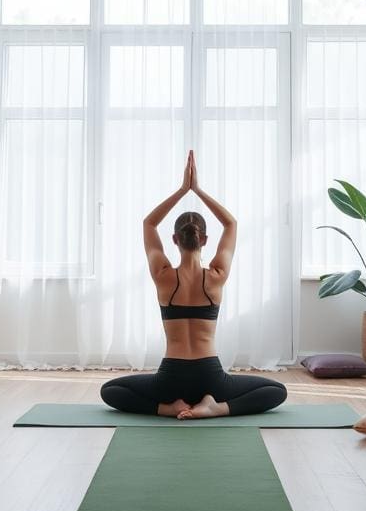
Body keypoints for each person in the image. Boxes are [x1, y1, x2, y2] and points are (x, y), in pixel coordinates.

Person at [100, 150, 288, 419]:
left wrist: (182, 190)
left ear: (175, 239)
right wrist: (197, 190)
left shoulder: (163, 276)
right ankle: (216, 407)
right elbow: (230, 223)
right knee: (276, 390)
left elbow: (149, 223)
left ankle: (168, 408)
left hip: (170, 378)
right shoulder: (216, 275)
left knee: (111, 390)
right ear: (205, 240)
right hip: (210, 376)